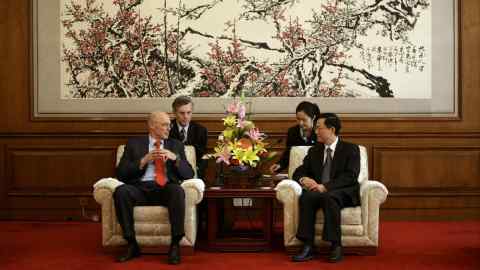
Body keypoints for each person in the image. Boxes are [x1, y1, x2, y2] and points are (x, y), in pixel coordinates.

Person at [114, 111, 194, 264]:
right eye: (164, 125)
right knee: (121, 191)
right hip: (140, 189)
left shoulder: (175, 145)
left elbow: (189, 174)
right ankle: (131, 244)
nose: (168, 128)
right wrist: (143, 161)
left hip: (164, 189)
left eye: (169, 125)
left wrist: (174, 158)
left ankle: (175, 245)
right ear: (152, 126)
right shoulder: (134, 144)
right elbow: (121, 174)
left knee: (177, 190)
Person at [291, 113, 360, 263]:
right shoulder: (315, 150)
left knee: (330, 197)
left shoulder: (351, 149)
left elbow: (350, 176)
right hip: (319, 190)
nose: (315, 132)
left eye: (319, 128)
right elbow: (299, 171)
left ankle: (336, 245)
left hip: (342, 191)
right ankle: (308, 245)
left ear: (332, 129)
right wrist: (304, 179)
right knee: (307, 197)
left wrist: (325, 187)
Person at [269, 101, 320, 174]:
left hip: (315, 173)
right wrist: (279, 165)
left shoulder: (320, 132)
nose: (300, 123)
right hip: (296, 172)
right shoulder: (293, 132)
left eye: (304, 120)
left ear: (313, 118)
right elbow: (288, 153)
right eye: (298, 119)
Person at [169, 95, 208, 180]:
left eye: (189, 112)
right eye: (182, 113)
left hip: (194, 171)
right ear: (174, 113)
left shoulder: (201, 130)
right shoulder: (167, 128)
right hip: (171, 171)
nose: (186, 116)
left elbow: (201, 156)